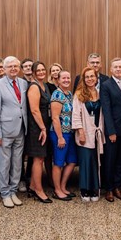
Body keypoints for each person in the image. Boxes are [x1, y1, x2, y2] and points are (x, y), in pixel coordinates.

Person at [0, 56, 28, 208]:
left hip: (20, 129)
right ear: (4, 69)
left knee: (17, 163)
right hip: (5, 131)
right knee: (4, 164)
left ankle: (13, 191)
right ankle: (5, 193)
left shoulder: (23, 83)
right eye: (10, 66)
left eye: (16, 66)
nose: (13, 69)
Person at [100, 58, 121, 202]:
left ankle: (117, 187)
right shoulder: (106, 85)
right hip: (113, 131)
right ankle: (108, 189)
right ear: (111, 69)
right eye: (116, 67)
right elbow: (106, 110)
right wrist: (111, 131)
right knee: (110, 160)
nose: (119, 69)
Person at [72, 67, 105, 202]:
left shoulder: (99, 93)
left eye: (92, 76)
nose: (90, 79)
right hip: (85, 132)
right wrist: (81, 132)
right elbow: (76, 115)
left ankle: (94, 188)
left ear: (96, 78)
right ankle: (84, 189)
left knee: (94, 161)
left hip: (97, 133)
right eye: (87, 77)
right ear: (83, 79)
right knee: (85, 161)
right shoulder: (79, 94)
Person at [25, 61, 53, 203]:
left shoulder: (45, 85)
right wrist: (42, 128)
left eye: (43, 70)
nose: (42, 72)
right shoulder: (34, 87)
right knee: (38, 158)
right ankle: (39, 191)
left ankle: (31, 187)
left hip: (44, 126)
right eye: (39, 70)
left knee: (41, 157)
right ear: (34, 72)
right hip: (37, 128)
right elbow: (34, 110)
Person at [49, 70, 76, 201]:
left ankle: (63, 186)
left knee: (71, 161)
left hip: (69, 133)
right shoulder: (57, 95)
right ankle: (57, 190)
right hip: (59, 134)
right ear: (58, 80)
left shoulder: (69, 94)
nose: (66, 80)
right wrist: (60, 137)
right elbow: (55, 118)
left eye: (68, 77)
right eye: (63, 78)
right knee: (59, 163)